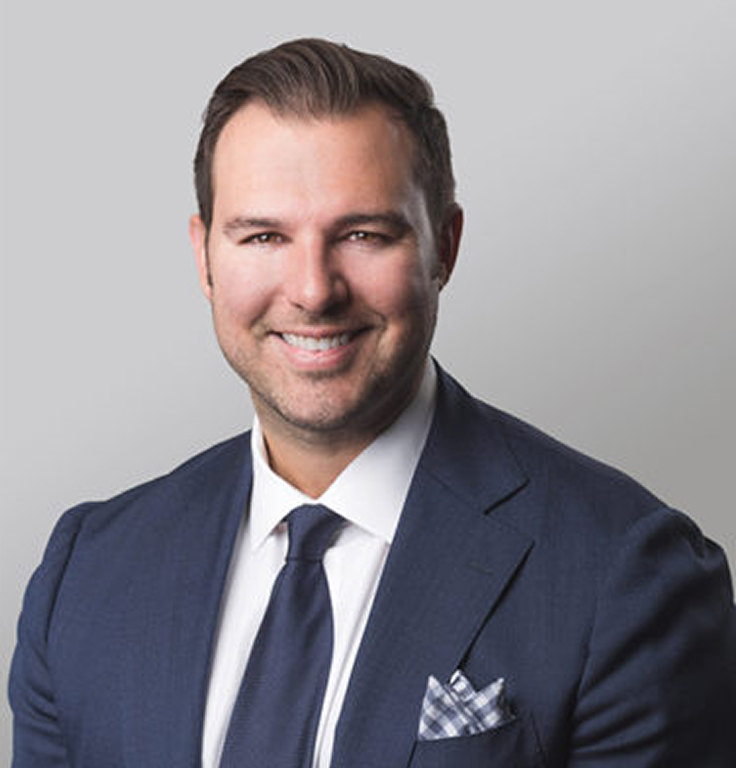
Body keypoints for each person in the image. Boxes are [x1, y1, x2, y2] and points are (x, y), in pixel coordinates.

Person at [9, 38, 736, 768]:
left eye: (363, 234)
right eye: (263, 236)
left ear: (444, 247)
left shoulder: (625, 575)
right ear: (204, 257)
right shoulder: (88, 574)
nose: (313, 290)